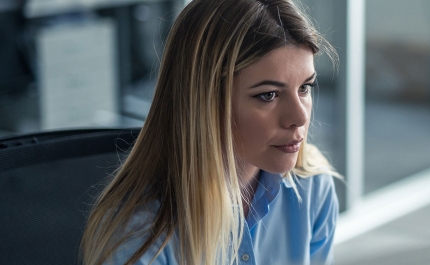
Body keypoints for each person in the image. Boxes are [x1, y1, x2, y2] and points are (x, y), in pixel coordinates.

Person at [80, 0, 339, 264]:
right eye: (268, 95)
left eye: (305, 88)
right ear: (205, 102)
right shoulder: (140, 235)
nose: (300, 117)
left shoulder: (312, 187)